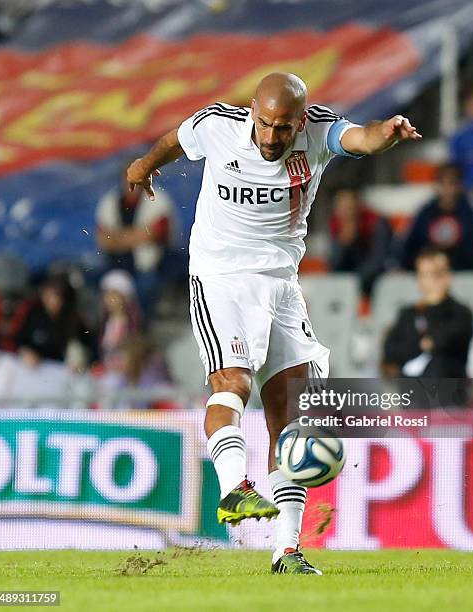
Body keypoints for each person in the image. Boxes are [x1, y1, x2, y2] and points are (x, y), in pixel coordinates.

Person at [127, 72, 421, 574]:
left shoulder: (319, 132)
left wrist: (387, 131)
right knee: (232, 381)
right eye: (263, 124)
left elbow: (361, 137)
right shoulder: (219, 124)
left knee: (292, 416)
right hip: (221, 276)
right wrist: (143, 167)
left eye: (281, 129)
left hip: (281, 285)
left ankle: (286, 550)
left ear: (300, 121)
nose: (269, 137)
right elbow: (176, 139)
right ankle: (233, 491)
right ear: (253, 114)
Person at [383, 247, 473, 379]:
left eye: (435, 273)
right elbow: (390, 351)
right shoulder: (408, 314)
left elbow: (445, 342)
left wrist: (424, 344)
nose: (429, 281)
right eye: (423, 274)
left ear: (447, 276)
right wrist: (421, 345)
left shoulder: (460, 313)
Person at [96, 164, 174, 316]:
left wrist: (116, 237)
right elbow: (102, 240)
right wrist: (134, 237)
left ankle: (141, 330)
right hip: (115, 265)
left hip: (148, 266)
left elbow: (151, 235)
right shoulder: (110, 201)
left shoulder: (158, 201)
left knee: (145, 287)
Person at [399, 163, 473, 273]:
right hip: (429, 275)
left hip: (465, 276)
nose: (448, 189)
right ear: (436, 185)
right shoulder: (424, 212)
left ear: (461, 185)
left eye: (452, 183)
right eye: (443, 183)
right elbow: (409, 247)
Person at [13, 274, 94, 367]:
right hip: (35, 368)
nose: (48, 299)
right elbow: (20, 339)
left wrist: (79, 359)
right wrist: (25, 351)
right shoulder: (34, 313)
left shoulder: (76, 322)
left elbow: (86, 350)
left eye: (54, 296)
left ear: (64, 298)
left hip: (61, 371)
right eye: (46, 294)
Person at [328, 188, 392, 295]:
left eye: (349, 208)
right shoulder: (336, 226)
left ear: (358, 206)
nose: (345, 213)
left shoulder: (376, 223)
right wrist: (342, 244)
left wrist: (353, 282)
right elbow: (334, 265)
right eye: (341, 208)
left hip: (376, 283)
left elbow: (378, 262)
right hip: (347, 285)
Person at [98, 269, 142, 371]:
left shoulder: (133, 325)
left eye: (114, 295)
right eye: (106, 295)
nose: (109, 299)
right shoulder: (103, 323)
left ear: (125, 297)